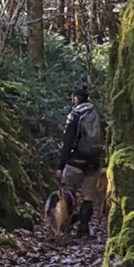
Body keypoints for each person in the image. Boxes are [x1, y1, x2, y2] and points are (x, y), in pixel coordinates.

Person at [57, 82, 106, 239]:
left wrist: (60, 166)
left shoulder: (75, 116)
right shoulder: (96, 115)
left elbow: (68, 142)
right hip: (93, 162)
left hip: (75, 162)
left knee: (67, 192)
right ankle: (83, 230)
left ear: (76, 99)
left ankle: (65, 225)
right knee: (87, 197)